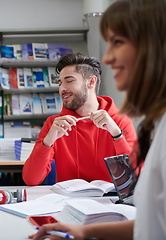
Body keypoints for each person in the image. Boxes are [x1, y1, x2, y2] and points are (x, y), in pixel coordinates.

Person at [30, 0, 166, 239]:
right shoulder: (157, 122)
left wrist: (116, 134)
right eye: (59, 82)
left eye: (119, 43)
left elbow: (135, 188)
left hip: (109, 210)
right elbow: (152, 220)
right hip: (70, 213)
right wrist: (84, 232)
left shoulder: (124, 122)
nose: (109, 57)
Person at [22, 52, 137, 185]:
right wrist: (48, 141)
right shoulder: (55, 124)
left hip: (108, 202)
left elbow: (135, 178)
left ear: (91, 82)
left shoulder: (120, 122)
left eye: (69, 81)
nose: (62, 89)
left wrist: (117, 136)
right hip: (67, 202)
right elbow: (31, 179)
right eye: (60, 83)